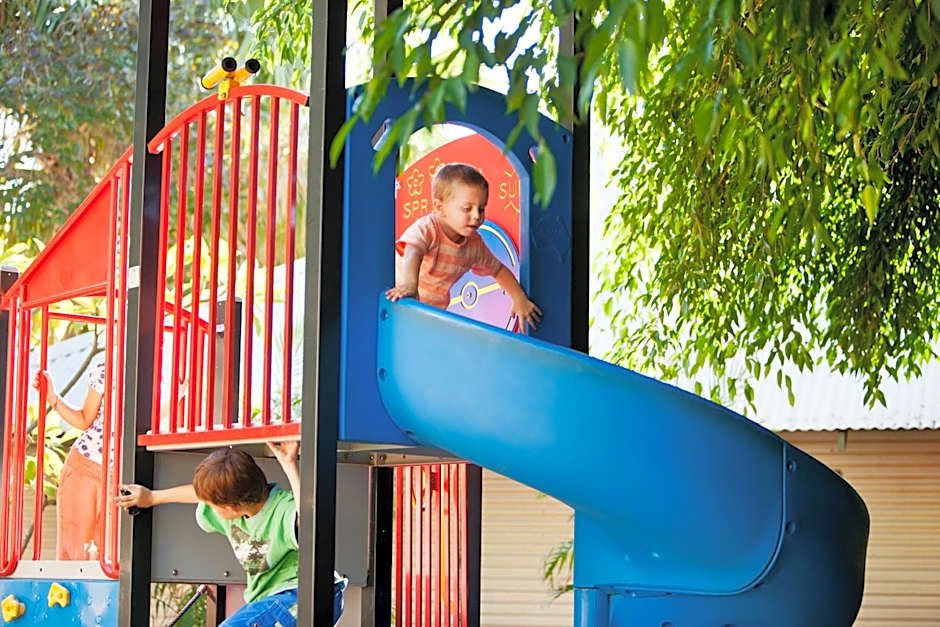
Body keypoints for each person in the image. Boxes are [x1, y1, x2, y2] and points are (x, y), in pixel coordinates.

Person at [117, 443, 346, 627]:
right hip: (273, 599)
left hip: (308, 593)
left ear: (232, 507)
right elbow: (198, 494)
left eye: (213, 505)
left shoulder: (283, 507)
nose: (207, 508)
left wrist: (289, 465)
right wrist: (152, 497)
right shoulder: (232, 510)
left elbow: (308, 519)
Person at [385, 162, 542, 331]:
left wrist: (518, 297)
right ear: (440, 208)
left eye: (481, 209)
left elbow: (497, 269)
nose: (476, 216)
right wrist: (409, 286)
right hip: (401, 302)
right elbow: (412, 252)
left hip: (433, 313)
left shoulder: (474, 245)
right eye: (467, 208)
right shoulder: (428, 229)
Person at [32, 361, 110, 560]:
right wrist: (53, 398)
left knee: (107, 555)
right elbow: (85, 419)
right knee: (76, 550)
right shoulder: (107, 368)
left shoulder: (154, 374)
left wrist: (181, 392)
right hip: (85, 464)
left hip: (118, 475)